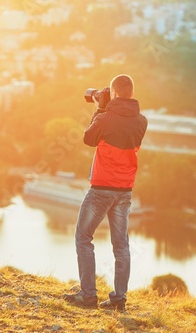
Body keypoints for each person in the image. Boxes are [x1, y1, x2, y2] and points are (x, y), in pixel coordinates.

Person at [63, 74, 148, 311]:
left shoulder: (105, 117)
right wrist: (106, 107)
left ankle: (88, 295)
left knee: (83, 237)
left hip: (101, 188)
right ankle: (118, 300)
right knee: (121, 246)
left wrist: (100, 108)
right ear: (131, 92)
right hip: (125, 191)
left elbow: (88, 139)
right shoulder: (142, 121)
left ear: (114, 92)